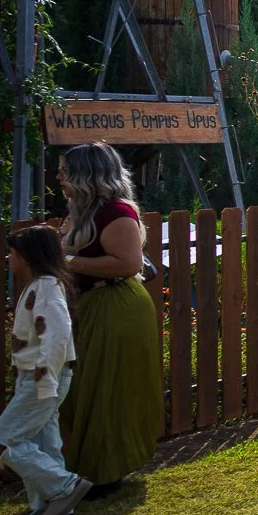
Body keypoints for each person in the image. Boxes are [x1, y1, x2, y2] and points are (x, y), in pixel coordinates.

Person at [56, 142, 162, 495]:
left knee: (106, 388)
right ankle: (87, 466)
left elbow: (128, 264)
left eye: (65, 171)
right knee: (82, 386)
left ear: (88, 175)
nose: (59, 178)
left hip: (115, 305)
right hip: (87, 305)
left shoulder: (116, 212)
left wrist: (68, 263)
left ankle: (105, 473)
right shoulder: (78, 211)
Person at [1, 226, 88, 515]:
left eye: (13, 253)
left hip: (43, 378)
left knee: (4, 439)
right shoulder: (40, 285)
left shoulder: (48, 288)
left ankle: (64, 486)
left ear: (27, 256)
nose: (9, 258)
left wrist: (45, 378)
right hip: (39, 377)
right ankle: (53, 511)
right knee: (43, 442)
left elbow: (57, 335)